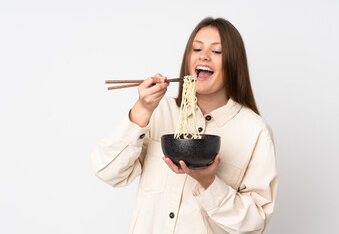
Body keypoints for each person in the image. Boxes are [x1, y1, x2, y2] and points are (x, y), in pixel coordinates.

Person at [92, 17, 278, 234]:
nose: (204, 56)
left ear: (233, 63)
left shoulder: (255, 131)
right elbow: (108, 171)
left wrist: (209, 182)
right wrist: (142, 109)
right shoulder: (158, 111)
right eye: (196, 48)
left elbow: (255, 223)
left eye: (217, 52)